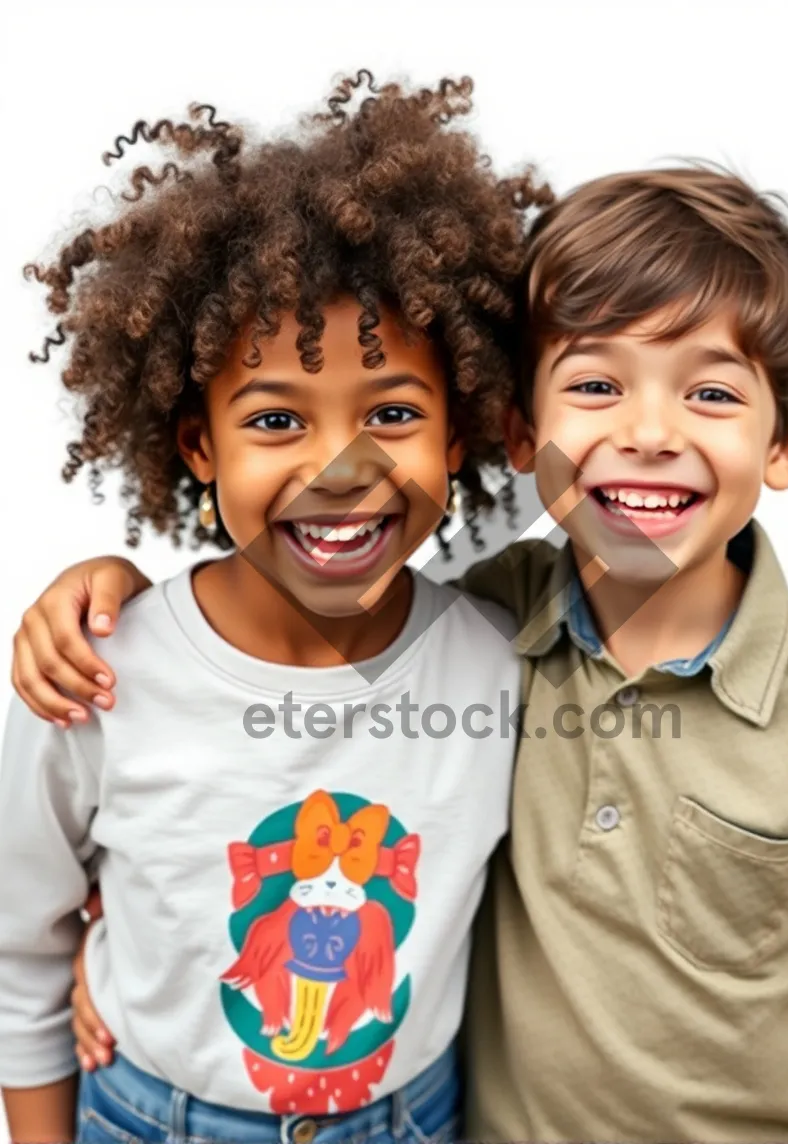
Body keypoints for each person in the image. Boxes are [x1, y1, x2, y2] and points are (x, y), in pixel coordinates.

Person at [11, 165, 788, 1142]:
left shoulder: (513, 645)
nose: (649, 433)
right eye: (599, 386)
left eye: (709, 394)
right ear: (519, 432)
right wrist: (125, 941)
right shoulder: (484, 627)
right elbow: (63, 900)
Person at [0, 70, 553, 1144]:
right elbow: (19, 947)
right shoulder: (94, 676)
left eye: (393, 410)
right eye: (273, 420)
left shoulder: (501, 662)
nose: (340, 467)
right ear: (197, 446)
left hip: (420, 1115)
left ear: (464, 434)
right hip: (147, 1117)